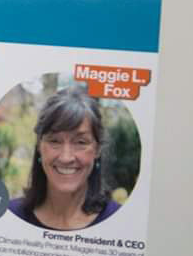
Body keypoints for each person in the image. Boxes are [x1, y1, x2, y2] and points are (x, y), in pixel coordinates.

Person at [8, 88, 120, 231]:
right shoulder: (8, 217)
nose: (66, 158)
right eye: (54, 141)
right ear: (39, 147)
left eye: (80, 142)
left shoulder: (120, 223)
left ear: (97, 150)